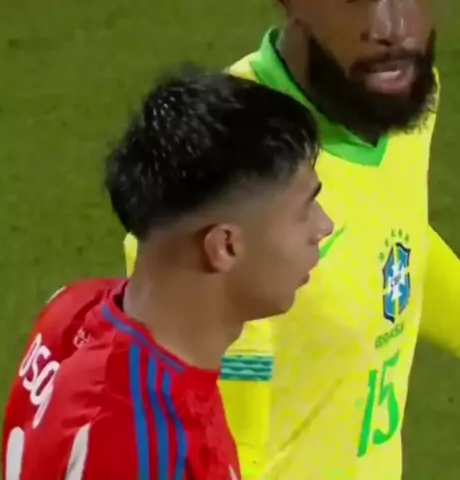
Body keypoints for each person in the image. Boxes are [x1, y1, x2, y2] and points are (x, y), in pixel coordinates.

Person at [123, 1, 460, 479]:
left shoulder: (396, 97)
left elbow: (391, 233)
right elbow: (218, 457)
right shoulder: (223, 190)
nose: (394, 28)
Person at [2, 68, 332, 480]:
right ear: (225, 246)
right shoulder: (148, 449)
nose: (324, 226)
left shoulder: (72, 309)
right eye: (304, 210)